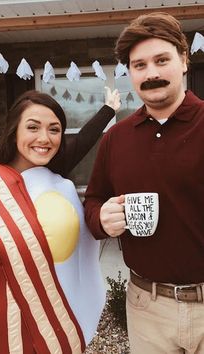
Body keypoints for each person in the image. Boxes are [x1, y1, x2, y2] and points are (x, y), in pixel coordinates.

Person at [84, 12, 204, 354]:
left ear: (183, 60)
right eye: (139, 65)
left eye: (161, 60)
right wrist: (101, 219)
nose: (151, 73)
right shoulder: (116, 139)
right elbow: (93, 202)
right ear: (130, 73)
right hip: (146, 306)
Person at [0, 88, 120, 354]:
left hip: (57, 306)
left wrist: (108, 110)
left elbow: (82, 142)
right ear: (14, 131)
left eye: (54, 129)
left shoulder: (53, 175)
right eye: (33, 127)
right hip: (5, 313)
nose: (44, 138)